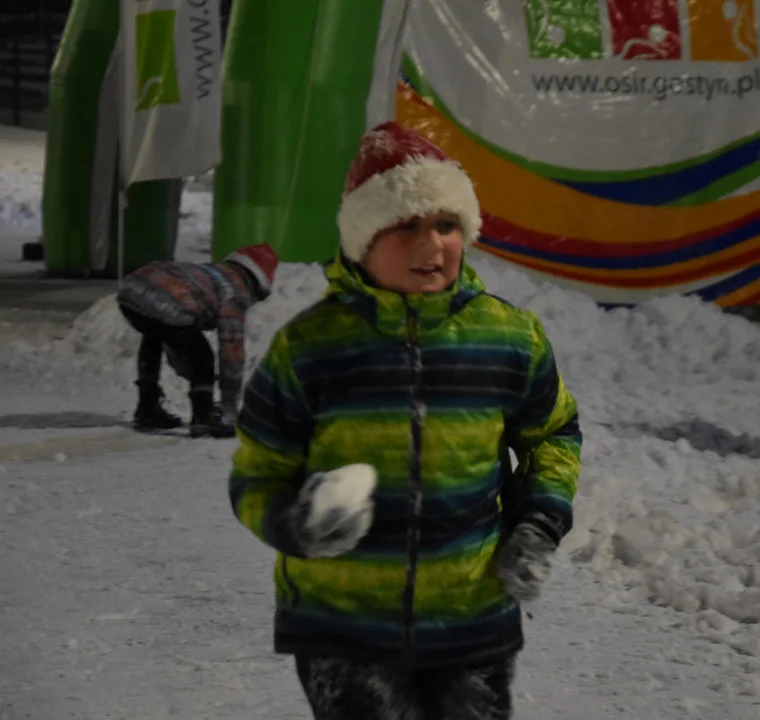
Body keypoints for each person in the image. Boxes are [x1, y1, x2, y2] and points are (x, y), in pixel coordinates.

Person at [228, 121, 582, 719]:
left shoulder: (509, 338)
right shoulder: (309, 347)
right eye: (406, 226)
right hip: (343, 626)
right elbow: (256, 473)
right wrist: (295, 523)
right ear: (363, 241)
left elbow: (554, 435)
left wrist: (539, 522)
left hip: (471, 619)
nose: (432, 244)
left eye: (446, 225)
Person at [116, 243, 279, 438]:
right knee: (203, 357)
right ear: (257, 283)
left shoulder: (213, 274)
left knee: (154, 335)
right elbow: (231, 349)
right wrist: (229, 401)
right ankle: (203, 416)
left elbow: (172, 334)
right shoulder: (236, 292)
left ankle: (147, 406)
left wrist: (184, 365)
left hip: (132, 289)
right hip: (169, 301)